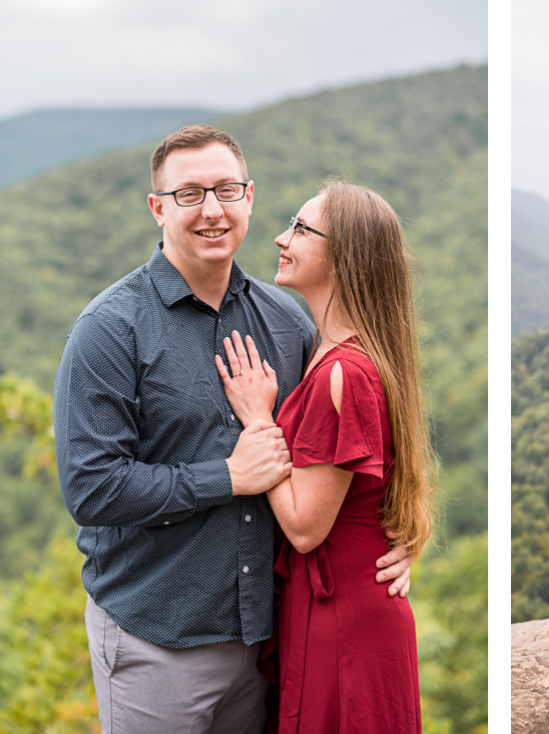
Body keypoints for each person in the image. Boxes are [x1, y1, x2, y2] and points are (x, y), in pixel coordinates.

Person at [54, 125, 412, 734]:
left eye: (226, 190)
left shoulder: (286, 320)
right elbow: (92, 490)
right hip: (157, 635)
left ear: (249, 196)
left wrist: (393, 539)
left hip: (268, 638)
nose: (212, 210)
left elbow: (344, 446)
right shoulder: (109, 329)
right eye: (190, 194)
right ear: (157, 208)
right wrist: (226, 476)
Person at [216, 180, 433, 733]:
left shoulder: (342, 372)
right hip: (339, 603)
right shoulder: (330, 353)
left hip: (346, 617)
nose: (280, 237)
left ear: (345, 255)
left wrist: (259, 419)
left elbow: (306, 528)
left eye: (301, 229)